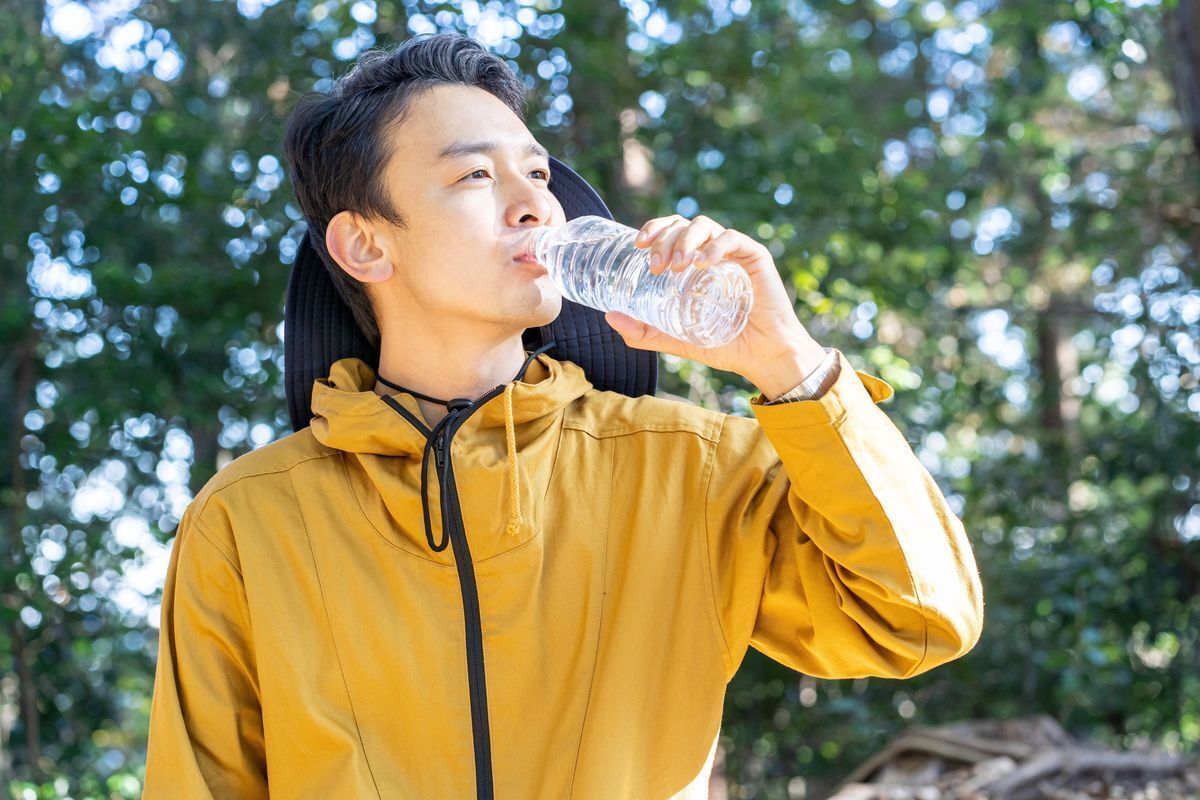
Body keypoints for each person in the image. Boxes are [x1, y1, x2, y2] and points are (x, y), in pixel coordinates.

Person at [143, 32, 984, 799]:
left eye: (538, 174)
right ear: (366, 244)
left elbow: (916, 618)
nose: (535, 205)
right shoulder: (250, 523)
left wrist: (789, 365)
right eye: (476, 175)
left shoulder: (690, 469)